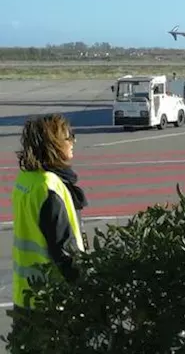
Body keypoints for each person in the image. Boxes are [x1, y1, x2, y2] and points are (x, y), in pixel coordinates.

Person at [11, 114, 86, 315]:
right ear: (54, 143)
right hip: (53, 301)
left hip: (25, 295)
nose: (73, 141)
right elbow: (65, 251)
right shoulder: (49, 188)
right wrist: (89, 290)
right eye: (68, 136)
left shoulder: (26, 179)